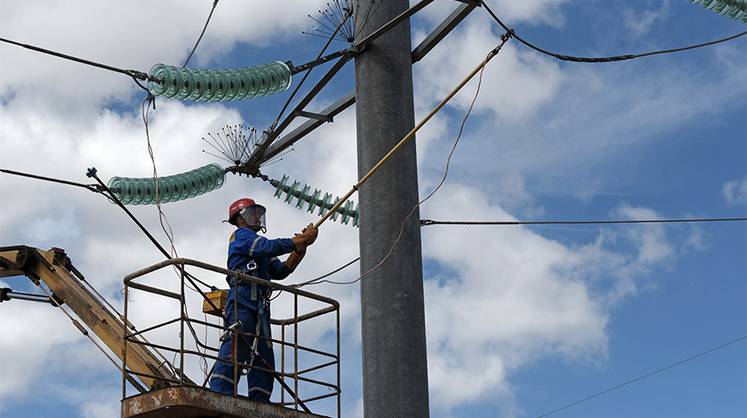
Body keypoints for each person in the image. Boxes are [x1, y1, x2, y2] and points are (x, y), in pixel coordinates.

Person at [209, 197, 318, 401]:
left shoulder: (259, 248)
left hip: (259, 306)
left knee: (263, 355)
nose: (258, 218)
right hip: (242, 302)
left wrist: (300, 248)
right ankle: (220, 392)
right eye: (253, 214)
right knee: (237, 344)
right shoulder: (242, 236)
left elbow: (281, 270)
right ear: (240, 218)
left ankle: (260, 399)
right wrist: (298, 241)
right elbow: (269, 247)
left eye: (259, 214)